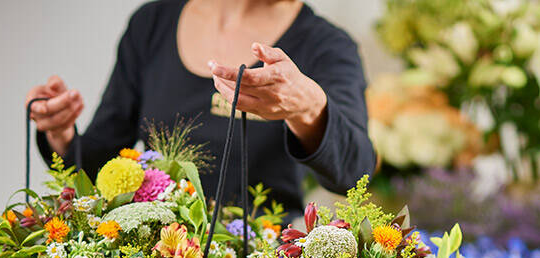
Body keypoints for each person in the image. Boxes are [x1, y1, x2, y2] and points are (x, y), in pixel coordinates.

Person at [25, 0, 376, 214]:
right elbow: (97, 166)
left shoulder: (327, 46)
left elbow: (355, 171)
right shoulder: (151, 25)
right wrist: (59, 132)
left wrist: (309, 108)